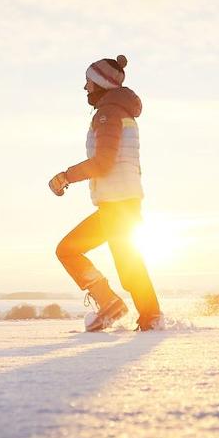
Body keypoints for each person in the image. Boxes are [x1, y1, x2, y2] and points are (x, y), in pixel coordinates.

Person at [47, 54, 163, 332]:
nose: (85, 88)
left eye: (88, 82)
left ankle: (149, 317)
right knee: (75, 251)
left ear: (100, 84)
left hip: (119, 204)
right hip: (121, 201)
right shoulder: (118, 112)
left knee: (121, 263)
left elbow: (103, 162)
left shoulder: (108, 114)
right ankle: (119, 306)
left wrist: (66, 177)